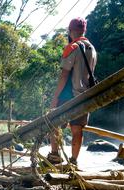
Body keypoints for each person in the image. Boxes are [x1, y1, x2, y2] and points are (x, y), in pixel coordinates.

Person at [47, 17, 97, 166]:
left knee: (53, 123)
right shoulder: (92, 49)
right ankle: (73, 162)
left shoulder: (72, 47)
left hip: (68, 96)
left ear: (70, 30)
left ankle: (55, 156)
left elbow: (64, 75)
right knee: (77, 129)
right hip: (85, 96)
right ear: (84, 30)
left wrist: (55, 98)